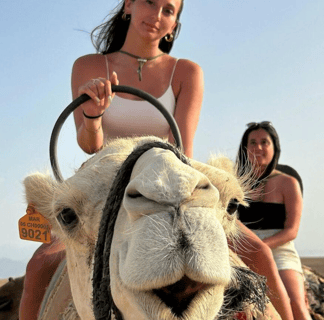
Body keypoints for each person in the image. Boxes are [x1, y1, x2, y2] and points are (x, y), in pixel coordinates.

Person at [20, 1, 202, 319]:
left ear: (174, 23)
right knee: (39, 264)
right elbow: (90, 145)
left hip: (163, 185)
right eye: (149, 2)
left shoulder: (186, 72)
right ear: (128, 5)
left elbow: (183, 149)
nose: (157, 15)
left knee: (256, 254)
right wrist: (93, 117)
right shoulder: (89, 66)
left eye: (168, 10)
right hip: (101, 189)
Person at [236, 121, 312, 320]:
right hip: (244, 249)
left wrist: (261, 246)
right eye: (252, 142)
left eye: (264, 142)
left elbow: (291, 231)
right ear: (245, 148)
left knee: (294, 303)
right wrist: (248, 247)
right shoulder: (234, 183)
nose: (258, 147)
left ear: (274, 147)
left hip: (279, 248)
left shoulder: (288, 182)